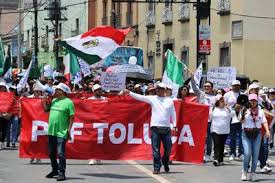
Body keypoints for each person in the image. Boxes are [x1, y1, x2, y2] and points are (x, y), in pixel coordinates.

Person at [122, 83, 177, 174]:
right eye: (158, 89)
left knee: (168, 148)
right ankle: (157, 167)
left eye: (161, 89)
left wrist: (174, 125)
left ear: (165, 90)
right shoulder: (153, 98)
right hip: (155, 127)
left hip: (166, 128)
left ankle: (165, 161)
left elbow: (173, 113)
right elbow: (140, 97)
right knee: (155, 150)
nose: (159, 90)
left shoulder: (169, 101)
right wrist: (130, 93)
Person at [42, 83, 74, 181]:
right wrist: (44, 101)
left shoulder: (69, 102)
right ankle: (54, 170)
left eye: (57, 90)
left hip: (62, 132)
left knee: (60, 153)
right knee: (51, 153)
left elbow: (72, 117)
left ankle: (61, 173)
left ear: (62, 91)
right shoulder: (54, 100)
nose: (55, 91)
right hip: (52, 131)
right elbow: (46, 110)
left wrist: (68, 130)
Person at [240, 94, 270, 181]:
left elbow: (264, 122)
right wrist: (243, 111)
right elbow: (241, 121)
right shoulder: (244, 109)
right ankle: (244, 171)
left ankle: (253, 173)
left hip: (257, 134)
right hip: (246, 133)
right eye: (251, 100)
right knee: (247, 153)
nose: (253, 102)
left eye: (254, 100)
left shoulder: (260, 111)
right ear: (248, 101)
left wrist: (267, 131)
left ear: (257, 101)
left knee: (255, 155)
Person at [191, 73, 216, 162]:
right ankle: (199, 153)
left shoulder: (215, 97)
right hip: (201, 119)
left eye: (208, 86)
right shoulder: (201, 94)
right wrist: (192, 78)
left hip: (211, 120)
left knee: (209, 138)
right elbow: (194, 88)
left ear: (212, 88)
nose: (206, 88)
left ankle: (208, 154)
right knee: (200, 136)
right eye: (205, 86)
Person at [210, 94, 235, 166]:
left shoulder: (227, 109)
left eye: (223, 100)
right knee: (216, 144)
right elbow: (209, 117)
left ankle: (220, 160)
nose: (222, 101)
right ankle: (216, 159)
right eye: (220, 100)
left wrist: (228, 108)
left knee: (221, 145)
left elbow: (233, 115)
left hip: (225, 130)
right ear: (217, 101)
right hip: (215, 129)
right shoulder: (214, 109)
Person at [224, 80, 244, 161]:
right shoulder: (227, 95)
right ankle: (232, 153)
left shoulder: (242, 95)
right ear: (232, 86)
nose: (236, 86)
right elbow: (224, 105)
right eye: (235, 85)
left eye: (238, 85)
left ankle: (241, 153)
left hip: (241, 118)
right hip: (231, 118)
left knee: (242, 137)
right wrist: (232, 109)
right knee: (233, 137)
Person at [87, 84, 106, 165]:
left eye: (100, 89)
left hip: (102, 123)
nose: (99, 91)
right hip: (92, 123)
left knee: (100, 141)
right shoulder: (89, 100)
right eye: (97, 90)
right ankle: (92, 157)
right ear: (94, 92)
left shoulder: (105, 99)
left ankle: (98, 158)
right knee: (92, 141)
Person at [28, 84, 43, 164]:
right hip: (30, 122)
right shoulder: (28, 98)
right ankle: (32, 155)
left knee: (40, 140)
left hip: (40, 122)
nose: (37, 92)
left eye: (38, 91)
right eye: (36, 91)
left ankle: (38, 156)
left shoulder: (42, 99)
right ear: (33, 90)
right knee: (31, 139)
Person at [0, 82, 11, 150]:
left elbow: (11, 105)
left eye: (3, 87)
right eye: (0, 87)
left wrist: (8, 113)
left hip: (6, 115)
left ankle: (2, 142)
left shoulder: (8, 96)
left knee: (4, 130)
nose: (1, 88)